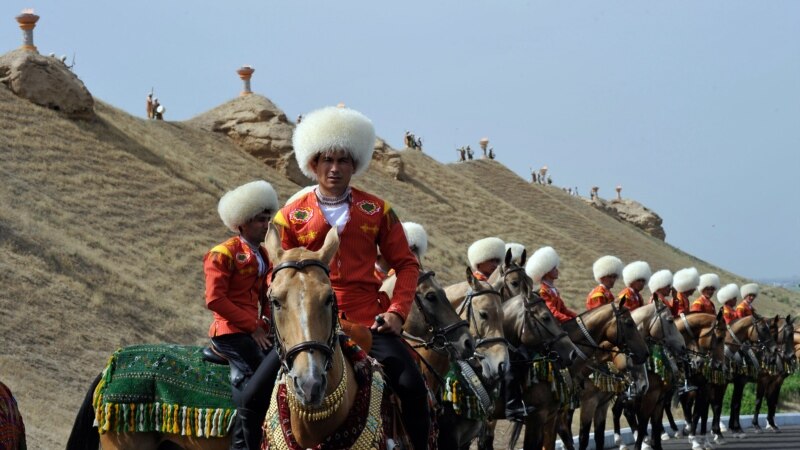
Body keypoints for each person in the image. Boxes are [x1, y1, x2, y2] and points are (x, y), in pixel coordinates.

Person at [273, 106, 429, 450]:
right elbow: (277, 277)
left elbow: (406, 265)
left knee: (414, 387)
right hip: (307, 325)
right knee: (252, 394)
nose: (334, 168)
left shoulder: (379, 211)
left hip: (369, 322)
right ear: (312, 163)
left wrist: (397, 312)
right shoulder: (291, 217)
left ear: (354, 163)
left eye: (343, 160)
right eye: (326, 159)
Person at [204, 180, 281, 450]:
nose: (266, 225)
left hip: (253, 331)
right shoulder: (222, 254)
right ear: (244, 223)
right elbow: (214, 299)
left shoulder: (263, 256)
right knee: (261, 385)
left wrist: (267, 322)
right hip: (230, 333)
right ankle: (242, 446)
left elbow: (267, 295)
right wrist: (252, 326)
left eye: (268, 219)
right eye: (261, 220)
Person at [527, 246, 577, 323]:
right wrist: (569, 320)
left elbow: (563, 309)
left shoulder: (553, 290)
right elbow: (552, 312)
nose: (557, 270)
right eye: (554, 268)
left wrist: (577, 317)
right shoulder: (543, 292)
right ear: (547, 271)